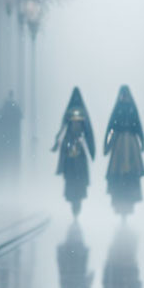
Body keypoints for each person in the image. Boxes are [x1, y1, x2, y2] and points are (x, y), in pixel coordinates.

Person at [52, 87, 95, 217]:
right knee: (75, 174)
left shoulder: (70, 111)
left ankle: (74, 200)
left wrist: (57, 143)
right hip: (75, 146)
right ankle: (76, 201)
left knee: (73, 174)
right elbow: (88, 132)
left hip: (72, 145)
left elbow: (64, 129)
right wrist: (91, 150)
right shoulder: (82, 112)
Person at [103, 85, 144, 215]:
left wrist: (142, 142)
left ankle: (127, 201)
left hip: (129, 145)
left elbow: (138, 125)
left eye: (125, 95)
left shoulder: (129, 108)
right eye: (123, 95)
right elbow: (110, 127)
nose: (124, 97)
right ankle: (120, 200)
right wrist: (106, 144)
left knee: (128, 173)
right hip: (120, 144)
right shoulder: (120, 108)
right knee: (120, 173)